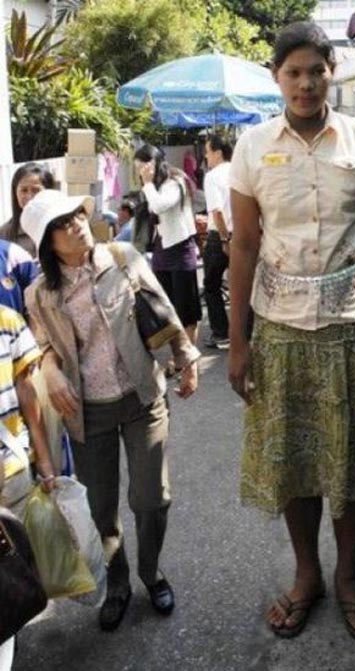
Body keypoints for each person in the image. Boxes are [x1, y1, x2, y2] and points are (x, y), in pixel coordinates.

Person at [228, 21, 355, 640]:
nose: (305, 83)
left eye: (316, 71)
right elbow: (244, 244)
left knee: (351, 461)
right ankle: (308, 575)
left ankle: (349, 575)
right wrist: (239, 340)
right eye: (293, 72)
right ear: (278, 77)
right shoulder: (250, 148)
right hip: (280, 329)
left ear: (332, 72)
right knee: (296, 462)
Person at [21, 189, 201, 632]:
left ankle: (151, 572)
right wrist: (49, 364)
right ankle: (118, 583)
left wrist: (187, 359)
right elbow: (38, 342)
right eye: (61, 225)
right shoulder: (39, 293)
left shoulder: (123, 258)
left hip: (142, 397)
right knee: (102, 509)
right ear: (47, 244)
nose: (76, 225)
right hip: (88, 412)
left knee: (151, 499)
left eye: (76, 215)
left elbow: (164, 309)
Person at [0, 304, 56, 671]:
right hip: (11, 468)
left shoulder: (8, 320)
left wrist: (45, 458)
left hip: (12, 472)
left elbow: (27, 391)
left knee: (5, 575)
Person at [134, 145, 202, 350]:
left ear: (153, 164)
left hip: (181, 251)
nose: (140, 172)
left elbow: (159, 206)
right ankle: (178, 354)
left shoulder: (175, 183)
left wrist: (147, 184)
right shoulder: (154, 186)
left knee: (187, 311)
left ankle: (190, 357)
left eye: (142, 167)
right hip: (161, 253)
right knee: (167, 309)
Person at [203, 134, 233, 348]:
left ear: (218, 152)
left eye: (207, 151)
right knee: (243, 285)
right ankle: (247, 331)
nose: (206, 156)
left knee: (211, 285)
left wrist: (224, 239)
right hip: (244, 233)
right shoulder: (239, 170)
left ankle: (221, 333)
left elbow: (217, 211)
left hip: (220, 236)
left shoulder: (213, 176)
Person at [0, 163, 55, 257]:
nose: (30, 197)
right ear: (15, 193)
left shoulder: (63, 226)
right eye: (24, 190)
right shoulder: (5, 234)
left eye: (36, 190)